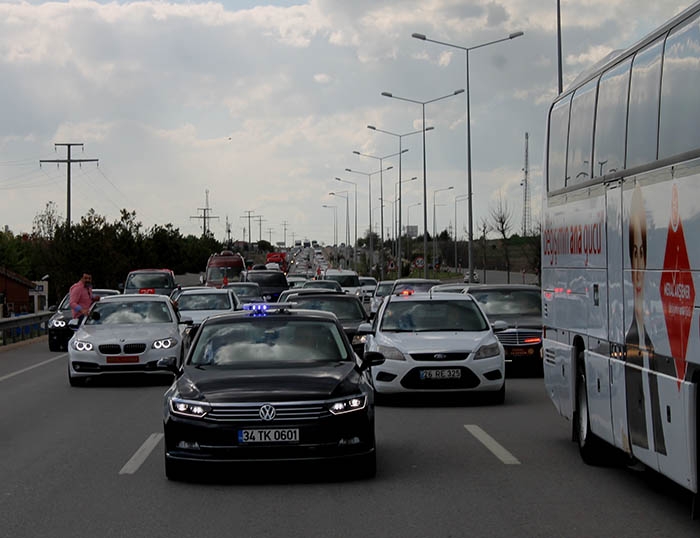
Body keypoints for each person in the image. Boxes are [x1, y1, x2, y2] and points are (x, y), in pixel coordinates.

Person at [624, 185, 672, 455]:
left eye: (644, 251)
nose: (639, 261)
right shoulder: (629, 338)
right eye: (635, 250)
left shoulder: (655, 338)